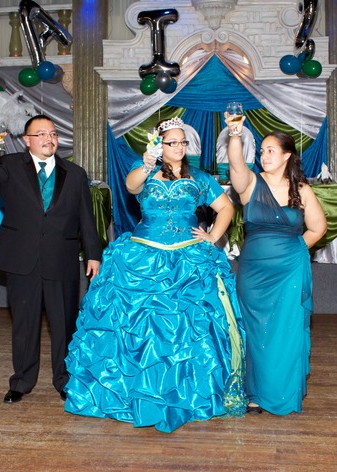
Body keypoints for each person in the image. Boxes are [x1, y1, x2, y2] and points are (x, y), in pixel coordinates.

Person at [64, 117, 246, 433]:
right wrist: (147, 165)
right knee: (134, 327)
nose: (179, 147)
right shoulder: (145, 170)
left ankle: (185, 394)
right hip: (142, 255)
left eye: (182, 142)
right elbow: (130, 186)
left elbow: (227, 208)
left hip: (188, 257)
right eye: (172, 142)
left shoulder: (200, 178)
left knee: (188, 329)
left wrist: (213, 236)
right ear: (159, 146)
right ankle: (134, 394)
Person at [0, 114, 102, 404]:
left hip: (62, 259)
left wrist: (93, 254)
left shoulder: (75, 173)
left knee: (64, 324)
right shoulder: (9, 166)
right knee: (24, 324)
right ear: (26, 141)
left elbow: (86, 217)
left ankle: (64, 380)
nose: (49, 139)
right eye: (41, 134)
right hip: (22, 260)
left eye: (53, 133)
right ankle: (21, 382)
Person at [224, 113, 327, 415]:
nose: (264, 155)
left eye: (271, 150)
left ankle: (279, 393)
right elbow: (236, 165)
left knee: (285, 332)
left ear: (287, 156)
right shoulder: (250, 183)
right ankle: (253, 393)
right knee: (253, 331)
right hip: (254, 272)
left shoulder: (302, 190)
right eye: (262, 150)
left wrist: (295, 251)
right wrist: (234, 135)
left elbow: (318, 227)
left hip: (288, 272)